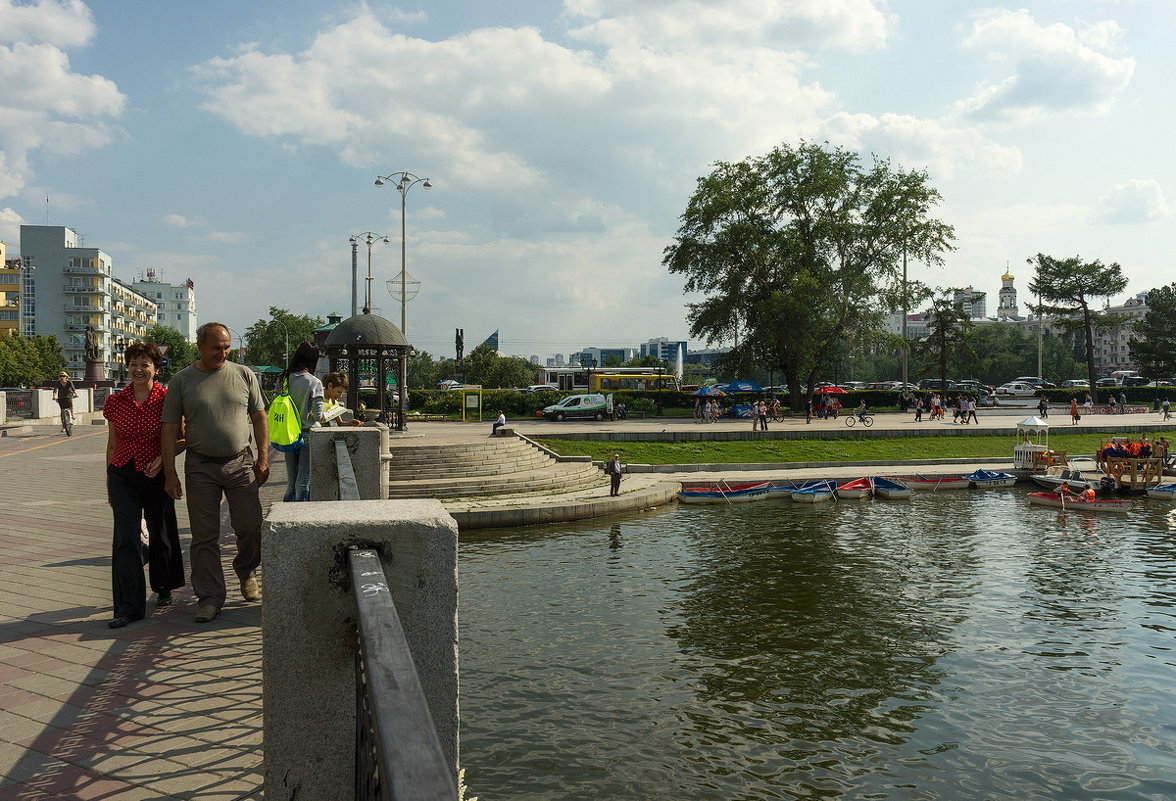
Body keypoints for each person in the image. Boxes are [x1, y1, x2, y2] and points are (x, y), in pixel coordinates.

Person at [161, 322, 268, 625]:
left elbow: (259, 417)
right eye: (216, 347)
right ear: (200, 346)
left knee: (250, 527)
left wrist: (263, 458)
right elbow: (169, 430)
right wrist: (170, 473)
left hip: (239, 463)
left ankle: (246, 568)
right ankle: (209, 597)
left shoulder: (243, 374)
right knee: (204, 536)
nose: (223, 352)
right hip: (200, 466)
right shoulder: (182, 380)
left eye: (226, 347)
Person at [103, 342, 186, 628]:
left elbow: (183, 439)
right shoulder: (115, 401)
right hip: (122, 473)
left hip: (155, 473)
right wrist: (108, 478)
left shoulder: (167, 398)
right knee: (125, 538)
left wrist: (163, 461)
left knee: (160, 531)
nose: (138, 369)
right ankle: (129, 607)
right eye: (133, 364)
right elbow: (113, 442)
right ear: (127, 367)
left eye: (144, 364)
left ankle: (164, 585)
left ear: (156, 368)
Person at [279, 342, 324, 503]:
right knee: (303, 481)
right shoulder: (314, 382)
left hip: (287, 434)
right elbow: (318, 416)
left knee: (291, 481)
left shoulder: (284, 379)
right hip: (307, 435)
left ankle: (284, 513)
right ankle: (299, 515)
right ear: (313, 360)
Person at [52, 371, 77, 435]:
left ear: (66, 377)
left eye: (63, 376)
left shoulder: (69, 382)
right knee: (62, 411)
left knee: (70, 404)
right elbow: (55, 390)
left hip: (68, 395)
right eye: (61, 376)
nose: (62, 377)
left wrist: (75, 394)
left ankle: (72, 414)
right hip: (61, 397)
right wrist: (54, 396)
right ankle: (63, 426)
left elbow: (73, 389)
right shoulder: (58, 383)